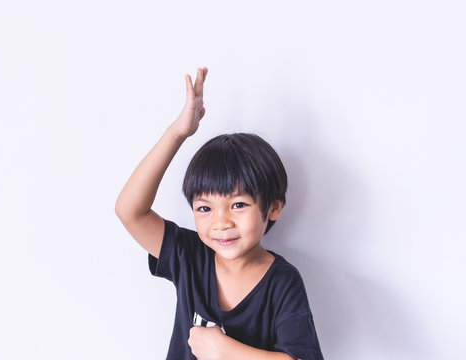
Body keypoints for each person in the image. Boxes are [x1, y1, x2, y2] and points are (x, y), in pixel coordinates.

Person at [115, 67, 324, 359]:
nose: (221, 222)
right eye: (204, 208)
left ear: (273, 207)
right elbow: (129, 211)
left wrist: (226, 352)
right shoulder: (189, 256)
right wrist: (177, 133)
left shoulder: (282, 282)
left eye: (238, 205)